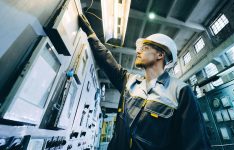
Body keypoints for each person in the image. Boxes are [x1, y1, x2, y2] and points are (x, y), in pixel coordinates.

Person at [79, 14, 211, 150]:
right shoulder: (129, 81)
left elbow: (197, 144)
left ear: (160, 55)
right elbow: (107, 60)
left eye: (145, 48)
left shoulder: (180, 91)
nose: (138, 51)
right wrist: (91, 34)